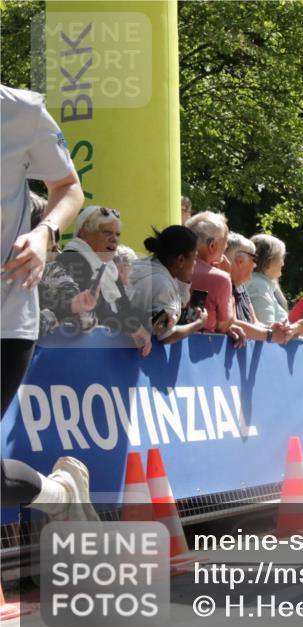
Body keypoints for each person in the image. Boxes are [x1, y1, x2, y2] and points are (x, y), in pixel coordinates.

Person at [1, 85, 98, 522]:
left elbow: (68, 188)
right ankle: (60, 496)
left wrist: (45, 234)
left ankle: (60, 496)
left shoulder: (21, 111)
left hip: (5, 317)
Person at [51, 206, 152, 354]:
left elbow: (125, 308)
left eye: (117, 234)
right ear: (84, 233)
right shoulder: (72, 259)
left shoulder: (109, 268)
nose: (114, 239)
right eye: (107, 232)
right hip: (73, 353)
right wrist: (132, 326)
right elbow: (88, 312)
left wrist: (153, 321)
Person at [130, 226, 208, 344]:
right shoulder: (162, 284)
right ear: (181, 259)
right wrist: (198, 324)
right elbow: (167, 336)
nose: (195, 263)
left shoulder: (145, 266)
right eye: (194, 257)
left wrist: (184, 279)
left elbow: (175, 303)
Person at [224, 233, 302, 343]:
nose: (283, 263)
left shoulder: (242, 286)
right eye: (253, 259)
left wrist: (273, 330)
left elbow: (255, 323)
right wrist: (274, 333)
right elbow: (229, 322)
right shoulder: (257, 285)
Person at [184, 211, 244, 347]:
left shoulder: (171, 265)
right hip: (201, 352)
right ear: (212, 246)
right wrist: (229, 283)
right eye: (225, 244)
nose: (226, 248)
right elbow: (224, 324)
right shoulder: (220, 278)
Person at [245, 233, 290, 326]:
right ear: (268, 260)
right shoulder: (259, 285)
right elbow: (268, 328)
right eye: (281, 258)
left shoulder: (260, 283)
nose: (283, 264)